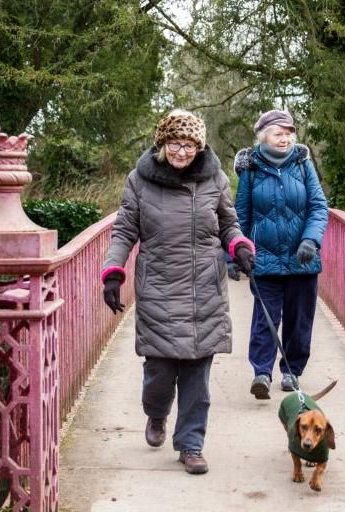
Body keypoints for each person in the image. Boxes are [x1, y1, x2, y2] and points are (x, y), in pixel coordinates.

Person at [101, 109, 255, 474]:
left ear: (199, 147)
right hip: (158, 291)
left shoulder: (215, 179)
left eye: (188, 145)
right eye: (174, 143)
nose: (181, 152)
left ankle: (191, 445)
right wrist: (113, 272)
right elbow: (124, 230)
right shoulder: (139, 181)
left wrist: (240, 247)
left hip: (205, 289)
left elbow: (228, 224)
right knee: (158, 374)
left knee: (197, 379)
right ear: (162, 143)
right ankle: (156, 414)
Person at [233, 109, 329, 400]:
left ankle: (292, 371)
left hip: (303, 259)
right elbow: (240, 215)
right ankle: (261, 372)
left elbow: (318, 207)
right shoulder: (250, 170)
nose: (285, 138)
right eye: (278, 133)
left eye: (289, 133)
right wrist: (236, 252)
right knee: (265, 319)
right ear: (263, 137)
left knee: (299, 320)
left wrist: (310, 240)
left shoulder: (303, 166)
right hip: (265, 259)